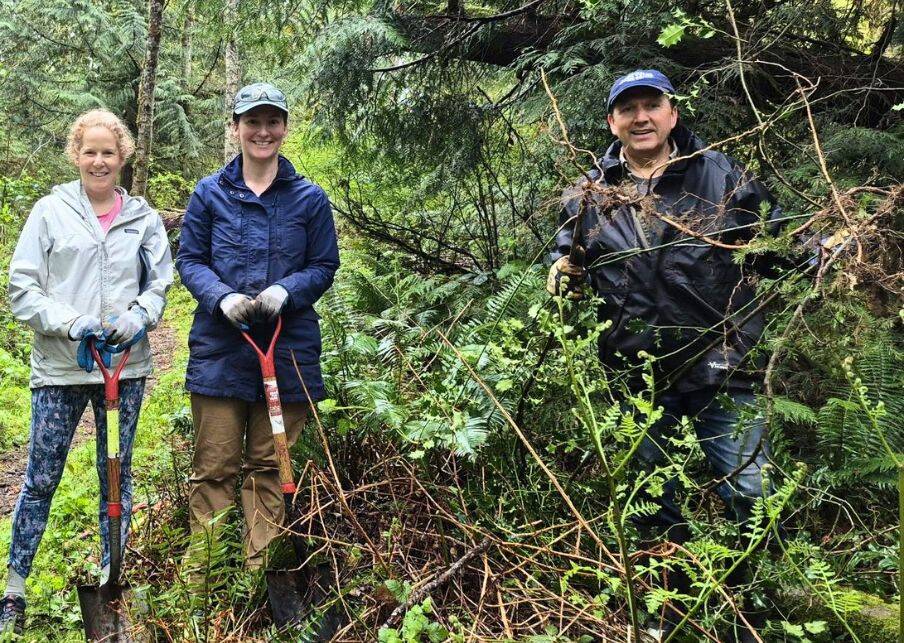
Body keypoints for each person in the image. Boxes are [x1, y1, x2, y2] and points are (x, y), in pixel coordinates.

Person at [547, 70, 781, 640]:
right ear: (612, 123)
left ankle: (748, 611)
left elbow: (771, 242)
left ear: (673, 113)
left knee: (752, 492)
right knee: (652, 504)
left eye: (652, 105)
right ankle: (667, 611)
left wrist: (820, 250)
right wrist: (561, 270)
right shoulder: (590, 191)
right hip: (637, 373)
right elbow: (571, 256)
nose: (641, 118)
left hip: (722, 364)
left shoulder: (721, 174)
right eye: (628, 110)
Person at [2, 109, 173, 633]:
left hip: (125, 364)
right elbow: (21, 290)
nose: (99, 161)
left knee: (115, 473)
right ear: (76, 156)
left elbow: (159, 283)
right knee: (41, 477)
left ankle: (111, 576)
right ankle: (14, 587)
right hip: (61, 367)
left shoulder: (142, 219)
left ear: (124, 157)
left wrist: (138, 317)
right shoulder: (50, 213)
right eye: (90, 151)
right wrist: (73, 323)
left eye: (109, 152)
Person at [177, 82, 339, 571]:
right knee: (214, 471)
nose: (262, 131)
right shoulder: (209, 194)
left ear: (285, 129)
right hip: (220, 353)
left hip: (287, 354)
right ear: (237, 128)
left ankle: (257, 583)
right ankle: (200, 586)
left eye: (272, 122)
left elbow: (323, 264)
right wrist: (221, 297)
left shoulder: (310, 199)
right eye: (252, 122)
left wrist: (283, 293)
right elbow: (190, 259)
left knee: (270, 469)